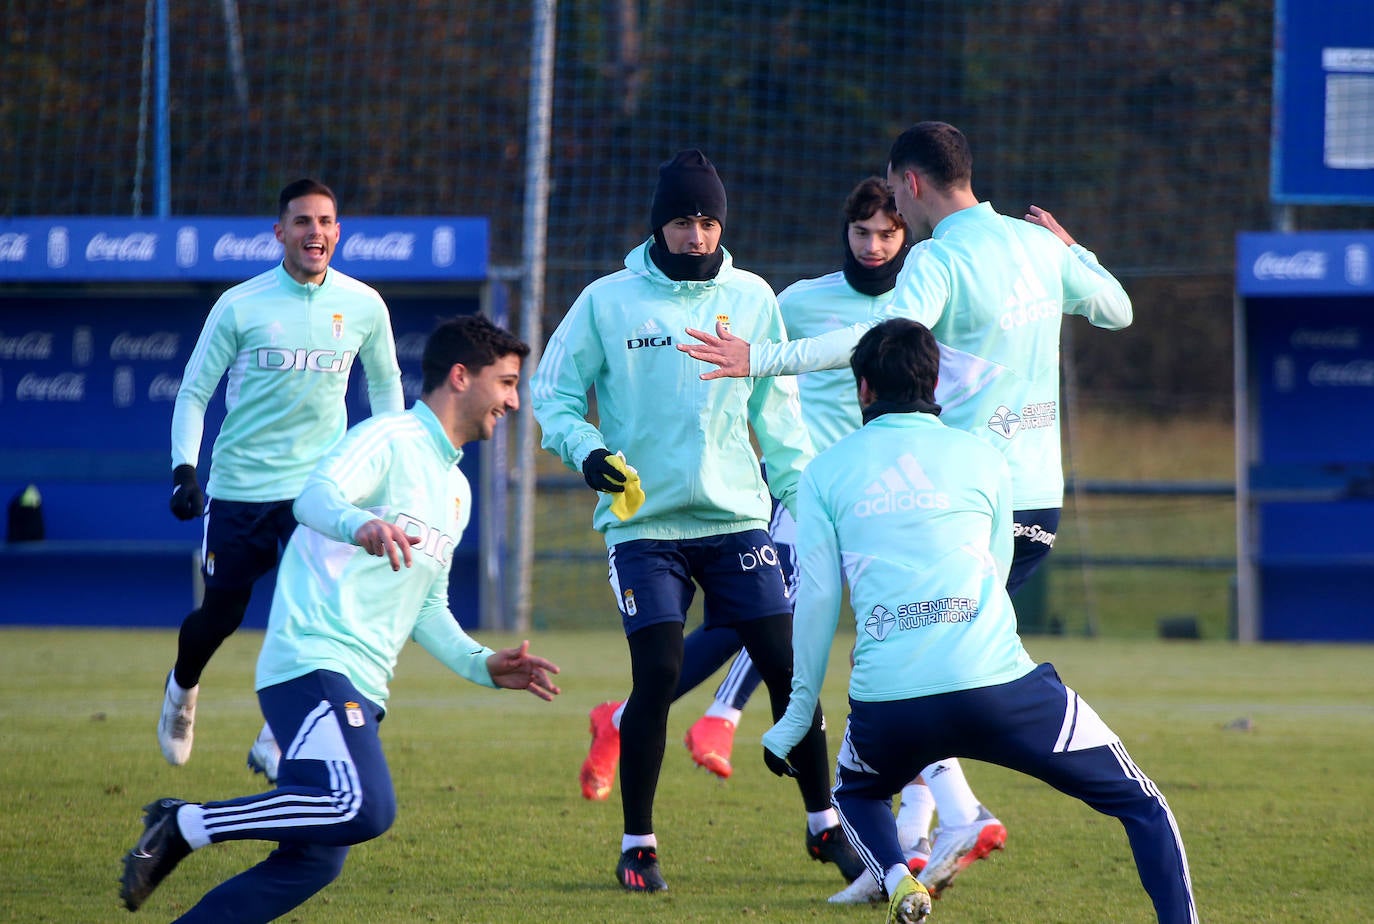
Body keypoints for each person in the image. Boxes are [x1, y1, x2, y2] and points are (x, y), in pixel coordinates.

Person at [679, 121, 1134, 896]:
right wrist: (1073, 250)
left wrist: (759, 358)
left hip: (962, 502)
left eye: (896, 194)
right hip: (1035, 508)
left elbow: (872, 334)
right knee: (918, 660)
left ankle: (949, 818)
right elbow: (1117, 308)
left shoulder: (940, 258)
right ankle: (909, 846)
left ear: (913, 185)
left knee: (908, 671)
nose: (894, 211)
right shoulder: (1040, 248)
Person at [575, 176, 1005, 898]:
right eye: (862, 232)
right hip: (732, 513)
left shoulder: (920, 304)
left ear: (907, 238)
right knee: (716, 661)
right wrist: (590, 451)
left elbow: (958, 376)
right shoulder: (785, 300)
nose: (873, 246)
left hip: (877, 505)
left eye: (887, 234)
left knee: (833, 655)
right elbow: (775, 390)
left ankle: (866, 819)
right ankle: (653, 817)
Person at [120, 315, 560, 921]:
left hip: (362, 686)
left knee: (314, 859)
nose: (514, 400)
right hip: (314, 663)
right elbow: (313, 498)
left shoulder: (456, 489)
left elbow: (427, 606)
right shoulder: (390, 438)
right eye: (507, 383)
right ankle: (186, 824)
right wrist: (363, 524)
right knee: (364, 808)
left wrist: (485, 665)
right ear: (461, 377)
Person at [764, 317, 1196, 924]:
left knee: (855, 793)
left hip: (890, 705)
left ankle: (897, 879)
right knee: (1143, 806)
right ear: (935, 381)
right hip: (1001, 691)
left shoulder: (824, 472)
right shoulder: (982, 455)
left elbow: (813, 603)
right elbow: (996, 571)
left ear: (861, 388)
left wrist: (795, 717)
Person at [531, 149, 863, 893]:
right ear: (660, 224)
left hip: (736, 522)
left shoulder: (750, 298)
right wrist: (588, 453)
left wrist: (805, 509)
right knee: (659, 671)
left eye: (709, 220)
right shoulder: (607, 301)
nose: (697, 233)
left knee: (790, 669)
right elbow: (552, 395)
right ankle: (638, 843)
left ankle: (825, 826)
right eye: (684, 219)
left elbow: (779, 422)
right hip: (643, 528)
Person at [160, 178, 404, 783]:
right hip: (241, 490)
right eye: (301, 222)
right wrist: (184, 470)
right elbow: (194, 391)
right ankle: (181, 691)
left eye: (324, 221)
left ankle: (276, 739)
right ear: (280, 233)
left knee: (325, 618)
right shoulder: (240, 304)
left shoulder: (365, 305)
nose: (314, 232)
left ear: (337, 232)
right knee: (220, 616)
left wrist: (388, 462)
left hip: (319, 492)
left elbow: (387, 390)